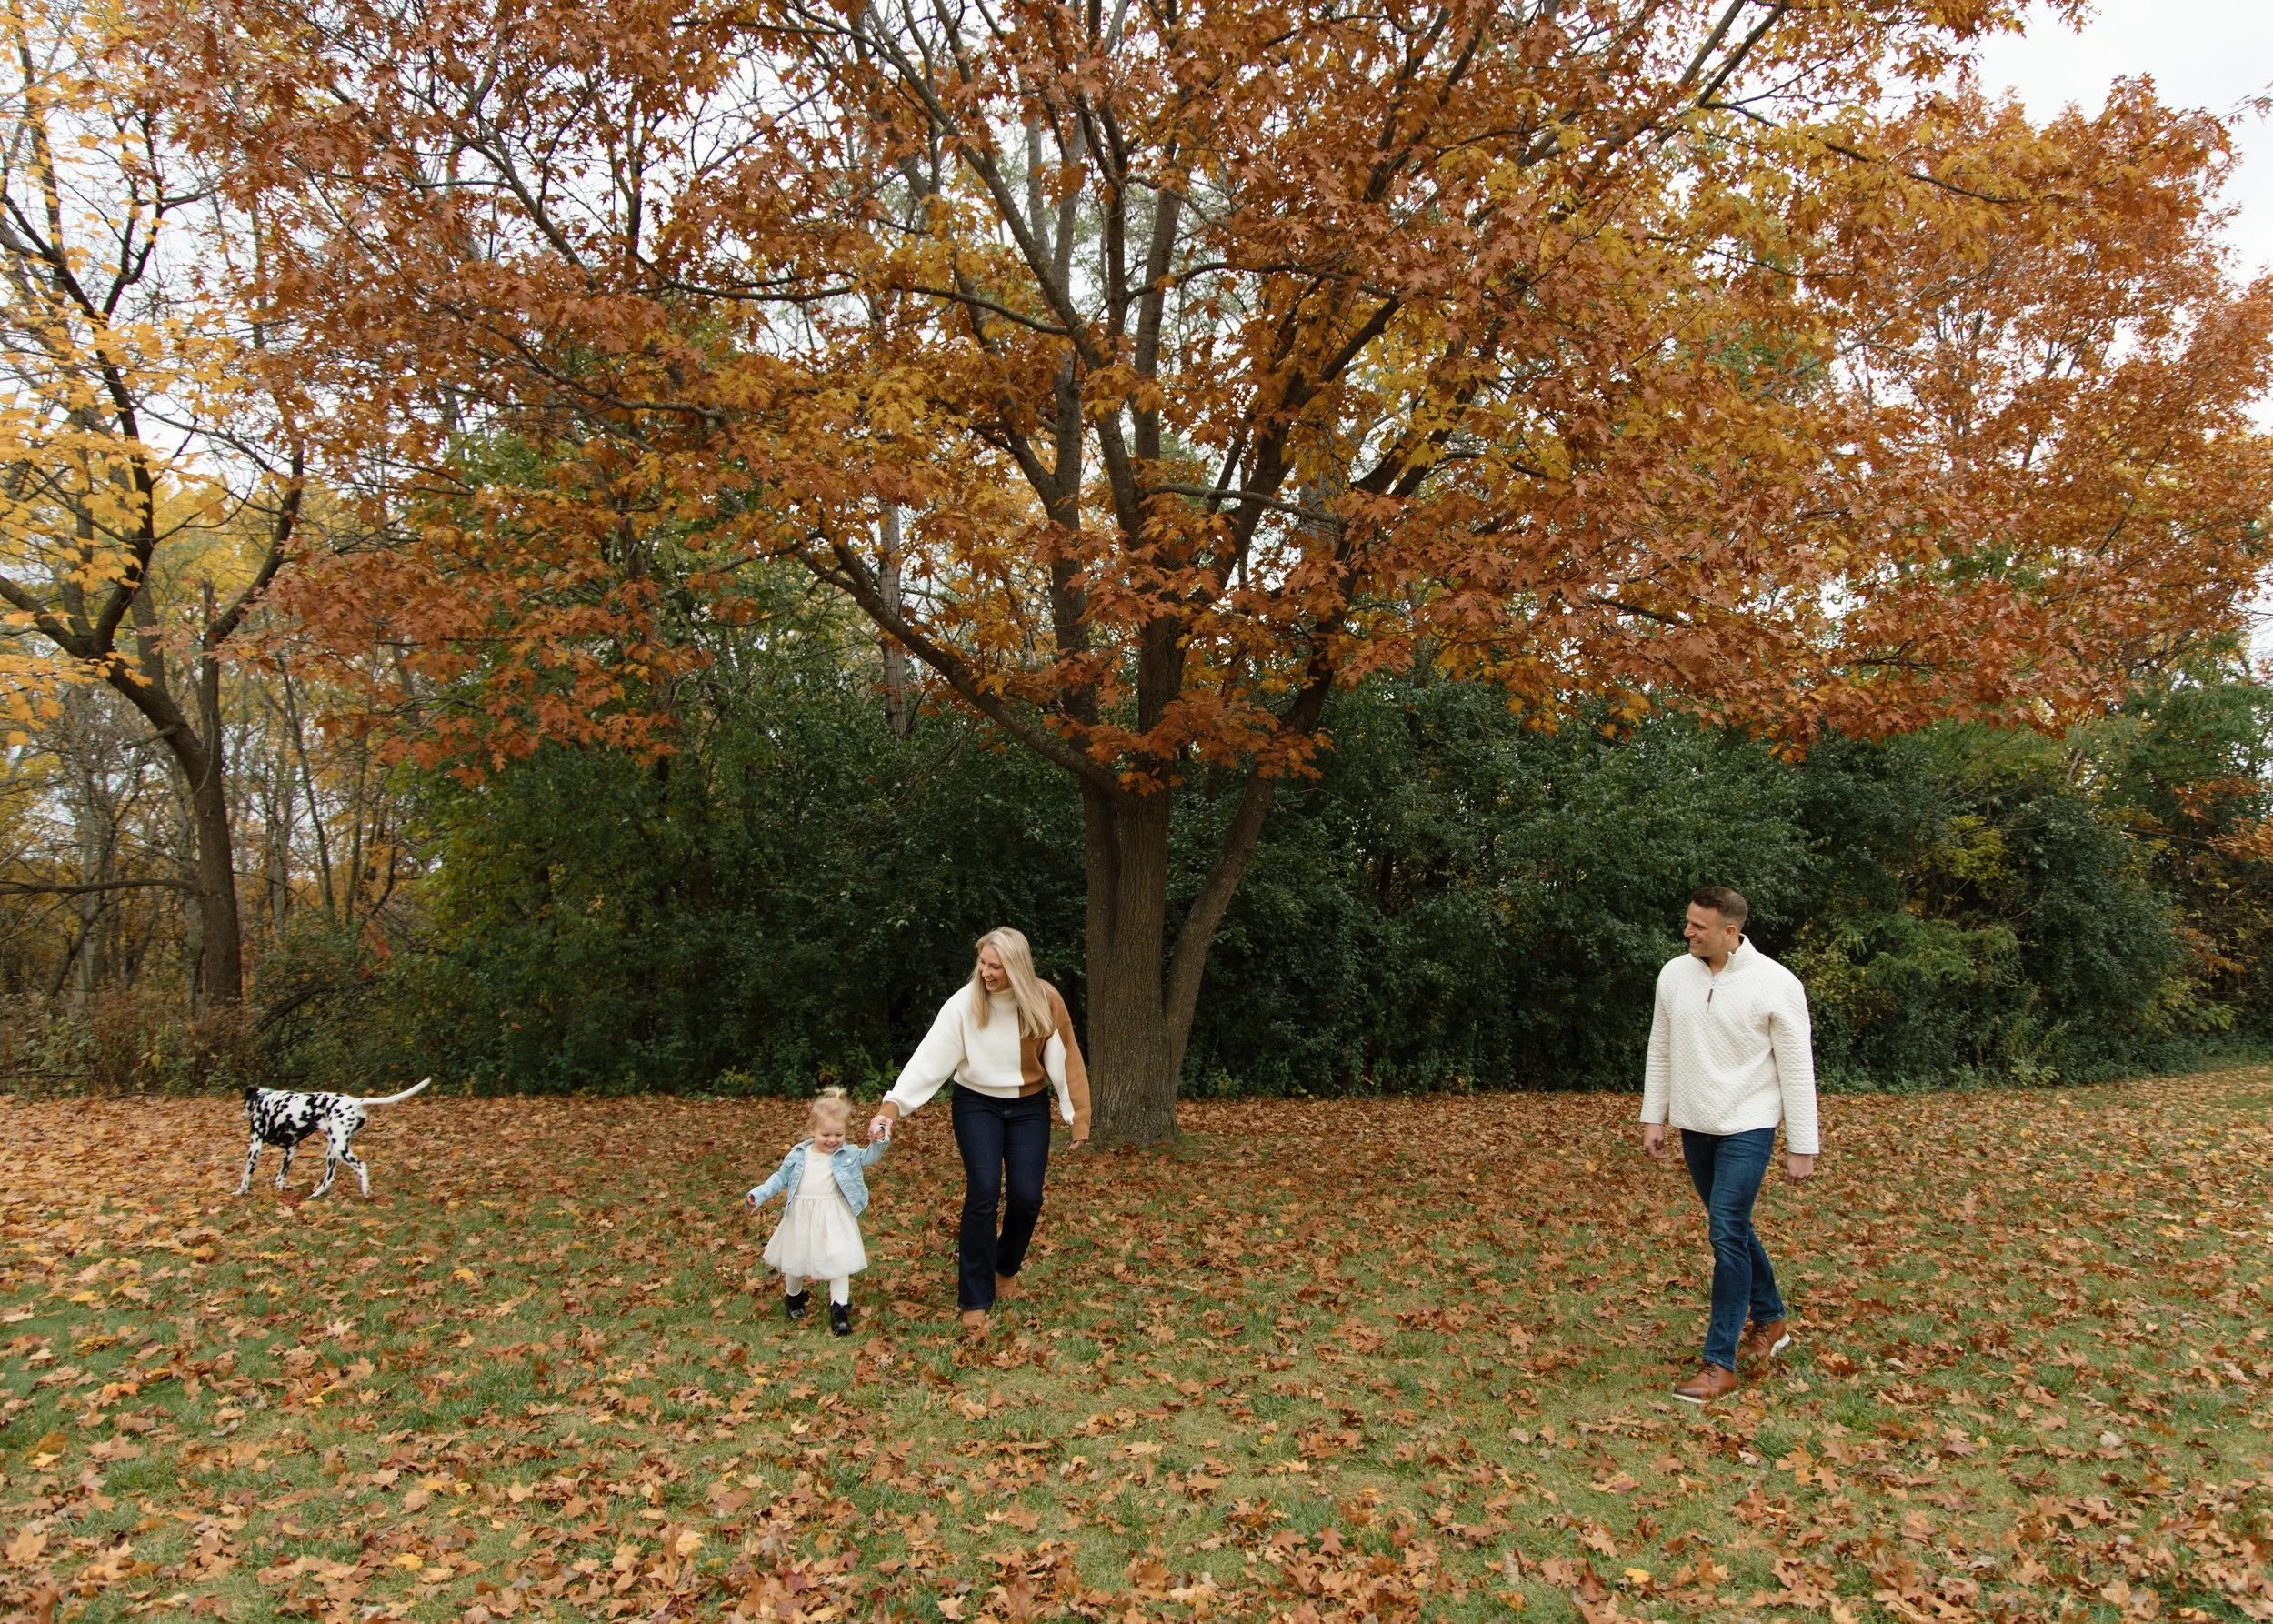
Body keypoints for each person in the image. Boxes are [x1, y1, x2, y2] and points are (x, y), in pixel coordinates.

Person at [1640, 885, 1819, 1403]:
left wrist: (1802, 1143)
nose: (1687, 932)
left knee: (1725, 1233)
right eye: (1688, 922)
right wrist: (1655, 1115)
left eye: (1698, 926)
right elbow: (1660, 1047)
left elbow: (1796, 1067)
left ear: (1730, 932)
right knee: (1734, 1228)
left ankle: (1719, 1363)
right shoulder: (1674, 975)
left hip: (1749, 1124)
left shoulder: (1777, 984)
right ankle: (1772, 1319)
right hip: (1696, 1124)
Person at [869, 927, 1090, 1330]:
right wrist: (891, 1109)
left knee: (1027, 1198)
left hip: (1029, 1106)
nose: (985, 973)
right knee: (984, 1193)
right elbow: (928, 1060)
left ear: (1017, 968)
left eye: (995, 966)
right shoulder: (964, 1005)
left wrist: (1078, 1119)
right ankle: (974, 1298)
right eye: (982, 963)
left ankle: (1005, 1268)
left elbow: (1065, 1058)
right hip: (977, 1104)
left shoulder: (1045, 1001)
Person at [745, 1087, 890, 1336]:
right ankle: (793, 1299)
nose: (832, 1140)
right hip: (801, 1215)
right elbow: (780, 1179)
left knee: (839, 1262)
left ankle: (840, 1312)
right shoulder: (799, 1155)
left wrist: (880, 1141)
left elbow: (870, 1157)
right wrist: (758, 1194)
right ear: (812, 1130)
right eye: (825, 1134)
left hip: (834, 1215)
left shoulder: (848, 1154)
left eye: (839, 1134)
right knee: (796, 1261)